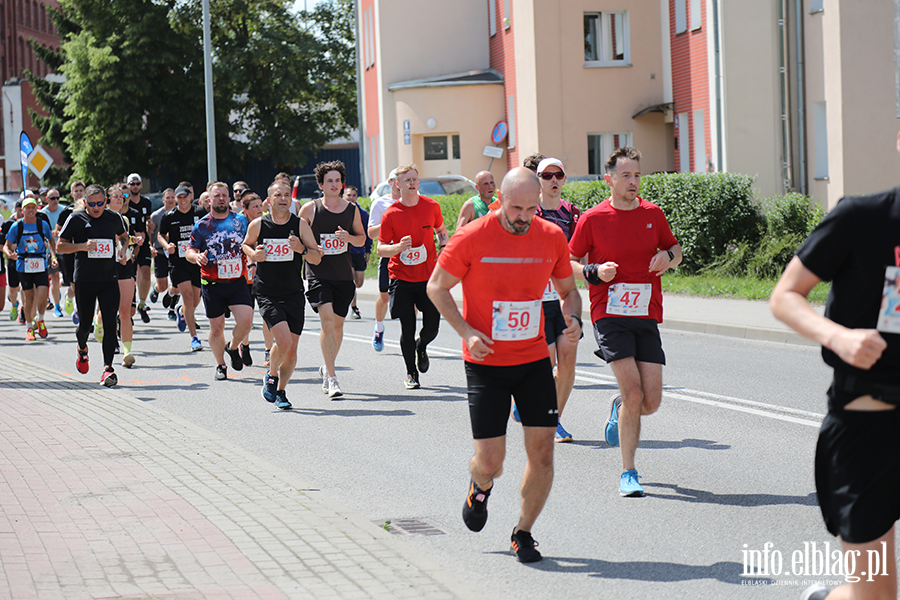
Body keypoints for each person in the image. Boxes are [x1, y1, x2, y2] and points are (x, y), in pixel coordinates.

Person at [427, 167, 581, 563]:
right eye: (517, 208)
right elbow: (437, 287)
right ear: (500, 200)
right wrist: (466, 332)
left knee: (543, 453)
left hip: (532, 361)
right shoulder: (472, 236)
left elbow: (569, 292)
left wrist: (574, 320)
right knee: (491, 462)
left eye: (532, 209)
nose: (524, 217)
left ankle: (524, 532)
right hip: (485, 364)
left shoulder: (550, 237)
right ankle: (479, 488)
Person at [771, 134, 900, 600]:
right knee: (876, 595)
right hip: (868, 426)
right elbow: (785, 295)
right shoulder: (863, 219)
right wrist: (838, 336)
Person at [568, 146, 682, 497]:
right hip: (610, 314)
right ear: (609, 180)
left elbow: (676, 250)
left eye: (637, 175)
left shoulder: (653, 214)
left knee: (651, 401)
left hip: (645, 314)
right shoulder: (592, 219)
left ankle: (618, 406)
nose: (634, 182)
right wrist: (592, 270)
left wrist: (668, 257)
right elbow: (567, 261)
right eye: (626, 176)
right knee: (634, 392)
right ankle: (628, 472)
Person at [243, 180, 322, 409]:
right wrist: (253, 255)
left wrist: (302, 249)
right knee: (284, 341)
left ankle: (280, 392)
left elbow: (317, 257)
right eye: (278, 195)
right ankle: (271, 374)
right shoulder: (259, 225)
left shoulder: (300, 226)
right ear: (269, 200)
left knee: (292, 350)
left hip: (294, 292)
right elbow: (245, 245)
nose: (284, 199)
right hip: (267, 292)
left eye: (287, 195)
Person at [378, 163, 449, 389]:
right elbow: (380, 249)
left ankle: (422, 346)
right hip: (401, 277)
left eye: (414, 179)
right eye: (407, 180)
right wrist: (397, 247)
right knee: (406, 328)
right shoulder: (391, 214)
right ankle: (411, 373)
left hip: (428, 277)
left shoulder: (431, 206)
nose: (411, 183)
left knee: (433, 327)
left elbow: (441, 230)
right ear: (397, 185)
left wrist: (445, 249)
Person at [298, 161, 366, 398]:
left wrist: (348, 237)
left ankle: (327, 366)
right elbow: (295, 239)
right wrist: (311, 247)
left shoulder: (351, 209)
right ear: (321, 184)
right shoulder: (309, 210)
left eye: (338, 180)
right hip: (317, 274)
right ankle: (333, 377)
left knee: (337, 327)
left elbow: (361, 239)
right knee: (327, 323)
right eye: (329, 181)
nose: (334, 184)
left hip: (342, 276)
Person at [57, 184, 128, 386]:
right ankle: (82, 348)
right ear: (85, 203)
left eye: (100, 203)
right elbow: (60, 245)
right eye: (92, 204)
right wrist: (82, 246)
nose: (96, 207)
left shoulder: (114, 218)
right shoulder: (76, 218)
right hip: (85, 280)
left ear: (105, 201)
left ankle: (108, 369)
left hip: (108, 279)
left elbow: (123, 238)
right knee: (85, 325)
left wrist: (122, 251)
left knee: (109, 323)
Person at [186, 182, 254, 381]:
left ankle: (232, 347)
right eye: (217, 196)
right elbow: (190, 251)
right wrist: (196, 258)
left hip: (237, 281)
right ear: (209, 200)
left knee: (246, 321)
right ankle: (220, 365)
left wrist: (252, 258)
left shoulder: (241, 221)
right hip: (212, 283)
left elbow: (251, 243)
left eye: (224, 195)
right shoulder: (202, 225)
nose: (221, 199)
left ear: (229, 198)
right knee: (216, 328)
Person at [535, 158, 581, 443]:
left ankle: (554, 420)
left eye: (559, 175)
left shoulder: (572, 213)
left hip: (564, 297)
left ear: (564, 179)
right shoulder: (529, 212)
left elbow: (581, 251)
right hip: (535, 299)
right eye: (547, 175)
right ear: (538, 179)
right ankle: (527, 401)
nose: (553, 180)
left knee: (568, 363)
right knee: (546, 362)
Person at [158, 185, 206, 351]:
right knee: (187, 296)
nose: (182, 200)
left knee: (195, 300)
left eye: (185, 196)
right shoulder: (169, 216)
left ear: (190, 197)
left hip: (198, 261)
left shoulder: (199, 212)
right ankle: (194, 338)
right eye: (179, 197)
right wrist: (167, 245)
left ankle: (182, 311)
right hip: (178, 262)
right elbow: (160, 234)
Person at [4, 196, 57, 341]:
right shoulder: (17, 226)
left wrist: (53, 256)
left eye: (33, 207)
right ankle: (29, 328)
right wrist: (9, 253)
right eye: (28, 208)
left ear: (36, 209)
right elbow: (6, 245)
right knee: (29, 298)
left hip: (40, 263)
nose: (31, 210)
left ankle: (40, 320)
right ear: (22, 210)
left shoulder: (42, 224)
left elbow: (51, 240)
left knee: (42, 296)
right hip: (24, 264)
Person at [108, 184, 142, 368]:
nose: (120, 199)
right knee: (107, 310)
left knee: (125, 311)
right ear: (107, 200)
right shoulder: (101, 218)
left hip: (124, 264)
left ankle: (127, 352)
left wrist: (133, 241)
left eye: (122, 196)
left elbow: (123, 239)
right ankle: (100, 324)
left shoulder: (125, 219)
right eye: (116, 196)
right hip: (106, 265)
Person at [367, 168, 400, 351]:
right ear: (390, 182)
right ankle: (379, 328)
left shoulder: (412, 201)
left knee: (412, 298)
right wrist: (389, 221)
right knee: (384, 297)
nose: (399, 183)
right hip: (388, 254)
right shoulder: (380, 203)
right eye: (396, 180)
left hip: (409, 256)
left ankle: (409, 335)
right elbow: (371, 233)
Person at [125, 173, 154, 324]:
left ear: (141, 185)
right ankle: (131, 305)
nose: (135, 186)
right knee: (131, 277)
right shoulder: (125, 203)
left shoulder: (146, 203)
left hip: (142, 242)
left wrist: (150, 229)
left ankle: (142, 304)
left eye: (137, 183)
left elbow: (147, 223)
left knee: (146, 273)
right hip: (126, 244)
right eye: (132, 183)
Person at [149, 188, 178, 319]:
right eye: (168, 198)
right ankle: (156, 289)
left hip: (176, 253)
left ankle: (171, 308)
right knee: (162, 285)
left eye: (173, 197)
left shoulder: (180, 213)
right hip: (161, 252)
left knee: (177, 283)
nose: (171, 200)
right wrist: (151, 247)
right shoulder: (156, 215)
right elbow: (151, 234)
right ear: (163, 200)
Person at [343, 185, 371, 319]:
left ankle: (350, 302)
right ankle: (354, 308)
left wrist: (368, 251)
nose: (351, 198)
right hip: (345, 252)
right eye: (349, 195)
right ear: (343, 196)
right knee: (352, 280)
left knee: (359, 282)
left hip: (359, 251)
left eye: (353, 195)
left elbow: (368, 234)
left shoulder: (363, 214)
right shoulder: (340, 212)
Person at [39, 188, 66, 317]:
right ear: (46, 200)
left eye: (57, 198)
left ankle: (67, 298)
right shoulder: (42, 213)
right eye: (52, 198)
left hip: (64, 247)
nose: (56, 201)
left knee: (69, 281)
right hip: (51, 248)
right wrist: (50, 233)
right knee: (54, 277)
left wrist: (59, 233)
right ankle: (57, 306)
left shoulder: (64, 210)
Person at [2, 201, 24, 323]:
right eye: (20, 209)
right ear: (16, 209)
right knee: (13, 291)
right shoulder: (9, 224)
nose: (22, 211)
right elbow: (3, 245)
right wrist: (10, 252)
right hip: (13, 261)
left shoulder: (31, 223)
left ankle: (24, 310)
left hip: (26, 261)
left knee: (26, 288)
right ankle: (14, 304)